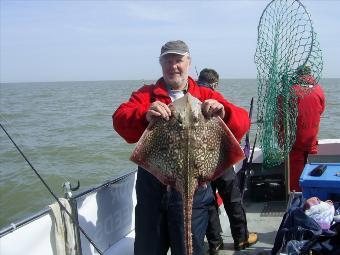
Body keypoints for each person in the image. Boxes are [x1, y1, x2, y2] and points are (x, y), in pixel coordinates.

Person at [112, 40, 250, 255]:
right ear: (160, 64)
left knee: (188, 249)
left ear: (189, 62)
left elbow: (242, 122)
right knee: (148, 249)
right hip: (153, 192)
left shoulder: (206, 95)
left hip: (195, 190)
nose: (173, 66)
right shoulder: (147, 94)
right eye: (167, 61)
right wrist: (144, 114)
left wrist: (224, 112)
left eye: (178, 60)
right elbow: (119, 120)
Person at [197, 68, 258, 253]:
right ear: (214, 84)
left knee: (208, 201)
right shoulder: (214, 96)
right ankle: (241, 238)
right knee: (232, 197)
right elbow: (235, 124)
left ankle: (215, 242)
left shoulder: (191, 95)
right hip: (219, 157)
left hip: (199, 160)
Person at [289, 65, 326, 192]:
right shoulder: (319, 89)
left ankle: (296, 197)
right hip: (311, 141)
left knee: (295, 173)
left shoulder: (291, 90)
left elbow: (281, 114)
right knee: (312, 170)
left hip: (296, 142)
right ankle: (312, 195)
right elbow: (321, 110)